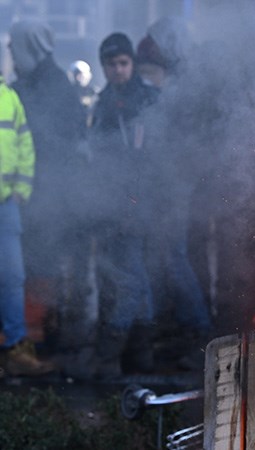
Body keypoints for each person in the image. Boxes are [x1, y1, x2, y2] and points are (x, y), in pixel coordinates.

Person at [8, 19, 90, 374]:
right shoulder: (28, 83)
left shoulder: (52, 85)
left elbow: (55, 141)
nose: (10, 53)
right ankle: (36, 333)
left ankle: (43, 336)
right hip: (34, 192)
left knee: (42, 264)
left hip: (48, 194)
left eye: (14, 46)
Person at [136, 17, 213, 369]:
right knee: (170, 255)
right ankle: (185, 328)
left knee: (174, 256)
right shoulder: (180, 86)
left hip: (177, 185)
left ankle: (197, 329)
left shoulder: (186, 91)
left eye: (150, 71)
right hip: (169, 184)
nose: (146, 78)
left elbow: (184, 144)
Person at [89, 32, 159, 378]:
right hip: (112, 201)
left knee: (131, 276)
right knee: (134, 276)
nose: (117, 70)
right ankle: (140, 355)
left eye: (123, 63)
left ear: (131, 63)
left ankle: (108, 353)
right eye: (111, 64)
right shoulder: (104, 103)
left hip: (142, 200)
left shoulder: (148, 100)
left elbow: (159, 156)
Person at [0, 72, 54, 376]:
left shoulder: (9, 98)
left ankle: (16, 348)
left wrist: (21, 190)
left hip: (6, 204)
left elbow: (25, 145)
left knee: (12, 278)